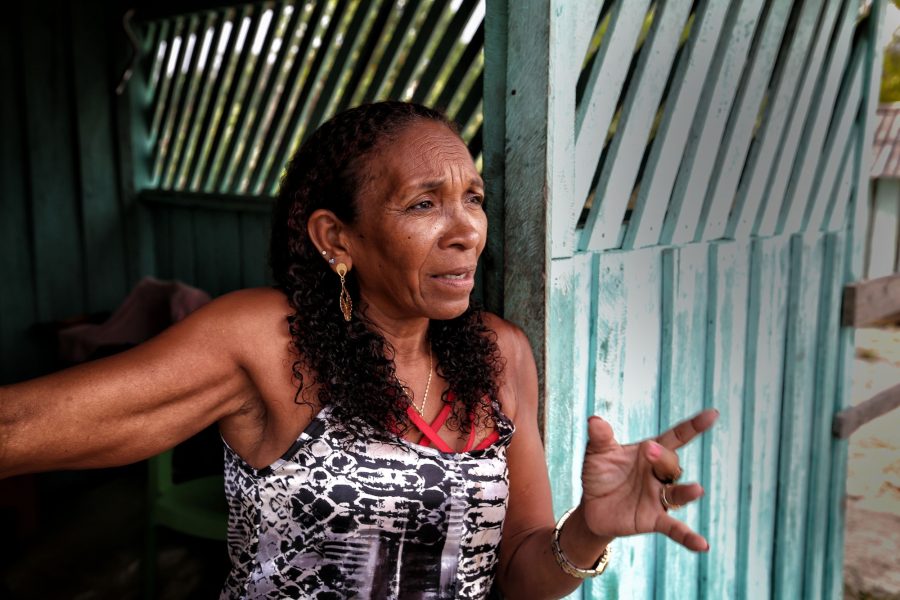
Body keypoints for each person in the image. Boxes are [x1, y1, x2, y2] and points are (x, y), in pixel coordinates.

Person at [0, 101, 717, 599]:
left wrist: (589, 531)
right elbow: (18, 429)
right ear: (335, 238)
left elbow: (525, 578)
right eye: (423, 203)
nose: (466, 227)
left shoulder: (500, 356)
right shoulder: (272, 345)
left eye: (473, 196)